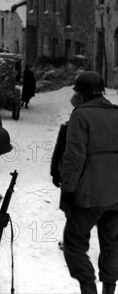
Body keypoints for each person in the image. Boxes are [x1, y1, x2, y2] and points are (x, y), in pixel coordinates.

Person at [59, 71, 118, 294]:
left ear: (81, 94)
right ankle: (109, 289)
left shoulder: (80, 115)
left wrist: (67, 191)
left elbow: (74, 158)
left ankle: (88, 288)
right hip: (116, 195)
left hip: (89, 196)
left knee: (74, 242)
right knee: (112, 243)